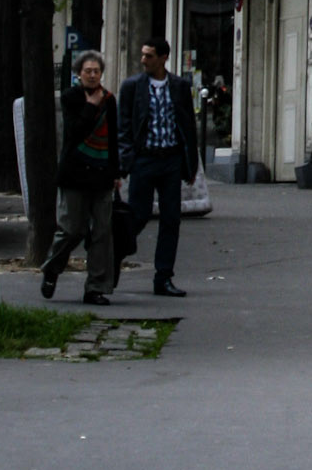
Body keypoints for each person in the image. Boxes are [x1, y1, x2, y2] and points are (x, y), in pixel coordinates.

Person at [117, 37, 198, 297]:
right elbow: (123, 126)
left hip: (171, 160)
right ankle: (113, 258)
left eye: (149, 56)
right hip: (144, 159)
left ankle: (163, 277)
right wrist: (125, 161)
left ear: (163, 58)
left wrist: (190, 165)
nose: (143, 60)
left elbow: (188, 126)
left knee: (171, 219)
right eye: (143, 55)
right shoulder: (132, 86)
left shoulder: (179, 86)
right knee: (137, 216)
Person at [40, 50, 119, 305]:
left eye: (96, 71)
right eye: (88, 71)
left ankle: (95, 287)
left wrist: (116, 172)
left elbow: (113, 139)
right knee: (72, 230)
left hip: (101, 174)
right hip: (75, 174)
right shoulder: (70, 97)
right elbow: (74, 133)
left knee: (102, 233)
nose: (93, 75)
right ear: (79, 73)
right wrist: (90, 106)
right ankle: (52, 268)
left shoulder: (109, 100)